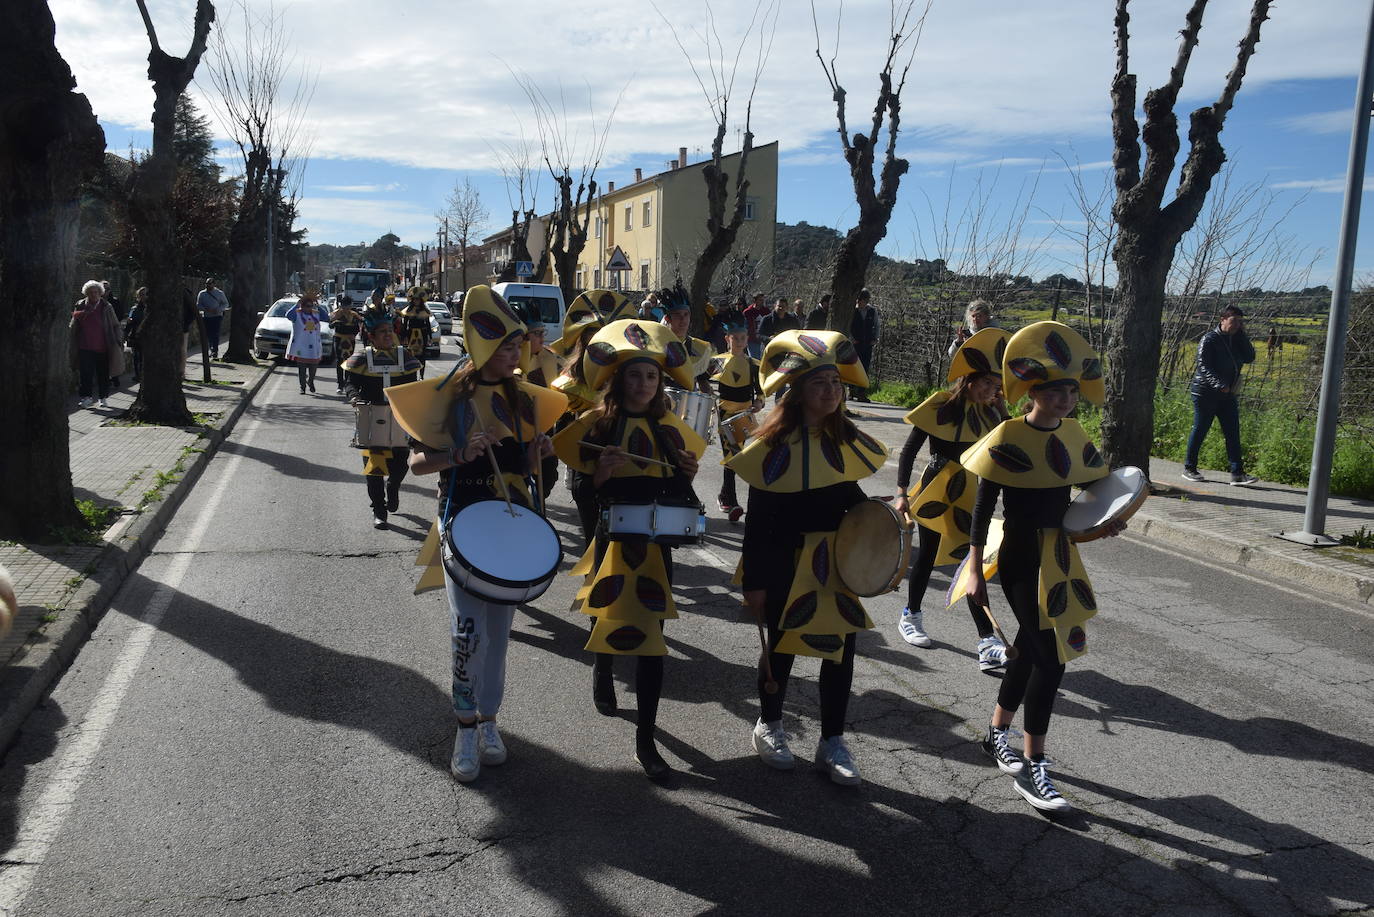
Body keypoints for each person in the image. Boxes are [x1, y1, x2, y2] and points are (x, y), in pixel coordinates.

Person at [397, 285, 565, 783]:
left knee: (498, 636)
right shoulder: (450, 397)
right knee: (467, 634)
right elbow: (416, 464)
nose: (515, 355)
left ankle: (490, 721)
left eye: (518, 346)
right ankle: (465, 726)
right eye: (506, 346)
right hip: (462, 524)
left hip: (510, 529)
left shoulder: (526, 401)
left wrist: (540, 453)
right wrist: (460, 454)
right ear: (485, 346)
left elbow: (528, 468)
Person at [961, 321, 1122, 813]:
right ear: (1032, 392)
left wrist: (1108, 522)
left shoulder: (1073, 435)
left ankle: (996, 732)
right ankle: (1035, 767)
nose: (1065, 400)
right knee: (1052, 658)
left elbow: (1095, 493)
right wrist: (973, 568)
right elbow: (982, 509)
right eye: (1054, 391)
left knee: (1031, 653)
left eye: (1071, 392)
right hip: (1018, 558)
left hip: (1060, 559)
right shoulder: (1006, 435)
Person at [730, 330, 890, 786]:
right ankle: (769, 724)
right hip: (784, 560)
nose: (831, 391)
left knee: (839, 654)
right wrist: (754, 583)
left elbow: (849, 499)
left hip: (834, 564)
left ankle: (832, 741)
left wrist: (883, 514)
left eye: (836, 383)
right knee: (780, 649)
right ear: (797, 392)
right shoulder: (770, 448)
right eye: (820, 383)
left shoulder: (845, 439)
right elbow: (759, 522)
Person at [553, 318, 703, 777]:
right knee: (606, 616)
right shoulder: (597, 424)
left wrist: (687, 474)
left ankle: (646, 741)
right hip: (612, 540)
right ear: (619, 380)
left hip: (656, 548)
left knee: (653, 639)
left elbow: (677, 492)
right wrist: (600, 473)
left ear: (660, 382)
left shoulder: (669, 428)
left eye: (651, 376)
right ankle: (602, 668)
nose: (643, 383)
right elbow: (583, 493)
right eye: (634, 375)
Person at [892, 328, 1012, 661]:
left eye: (996, 385)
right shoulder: (940, 405)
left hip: (970, 491)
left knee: (970, 561)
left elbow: (1011, 446)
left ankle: (986, 640)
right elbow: (909, 451)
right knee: (928, 555)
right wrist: (902, 492)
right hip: (936, 489)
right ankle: (911, 616)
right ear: (969, 379)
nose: (991, 389)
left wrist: (1002, 409)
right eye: (986, 382)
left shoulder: (991, 414)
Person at [548, 289, 637, 541]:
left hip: (623, 467)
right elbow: (562, 436)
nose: (601, 340)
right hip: (586, 468)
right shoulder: (567, 383)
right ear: (583, 339)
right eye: (594, 334)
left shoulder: (632, 379)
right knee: (594, 539)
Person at [341, 315, 422, 528]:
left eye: (390, 330)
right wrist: (354, 397)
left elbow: (412, 386)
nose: (388, 335)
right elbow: (351, 383)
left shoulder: (404, 356)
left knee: (400, 463)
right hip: (371, 418)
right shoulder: (362, 358)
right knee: (374, 469)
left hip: (399, 419)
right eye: (383, 331)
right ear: (372, 336)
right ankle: (379, 510)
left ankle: (393, 486)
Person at [1182, 305, 1258, 485]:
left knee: (1233, 432)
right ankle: (1189, 468)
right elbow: (1203, 365)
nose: (1237, 325)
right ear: (1222, 320)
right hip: (1205, 393)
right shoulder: (1209, 339)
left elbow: (1249, 357)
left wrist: (1242, 335)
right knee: (1201, 429)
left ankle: (1237, 474)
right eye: (1234, 321)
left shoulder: (1237, 339)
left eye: (1240, 322)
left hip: (1228, 394)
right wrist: (1218, 384)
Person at [710, 319, 764, 522]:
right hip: (725, 414)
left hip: (745, 416)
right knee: (733, 456)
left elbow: (760, 391)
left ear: (747, 339)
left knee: (736, 456)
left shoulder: (753, 364)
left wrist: (759, 402)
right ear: (727, 339)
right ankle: (731, 502)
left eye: (743, 338)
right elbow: (700, 376)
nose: (739, 342)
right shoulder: (719, 361)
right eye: (735, 338)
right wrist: (705, 391)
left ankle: (725, 495)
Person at [69, 280, 124, 408]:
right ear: (86, 293)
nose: (94, 294)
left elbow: (116, 325)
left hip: (103, 346)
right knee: (85, 374)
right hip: (84, 346)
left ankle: (103, 397)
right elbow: (74, 324)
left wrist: (118, 339)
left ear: (100, 293)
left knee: (103, 374)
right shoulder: (80, 305)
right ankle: (86, 397)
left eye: (96, 292)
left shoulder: (106, 306)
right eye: (91, 292)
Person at [660, 291, 716, 392]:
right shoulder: (659, 345)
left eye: (686, 315)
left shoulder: (698, 348)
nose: (683, 319)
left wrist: (709, 396)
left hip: (687, 400)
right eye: (678, 315)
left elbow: (702, 380)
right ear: (668, 319)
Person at [285, 290, 326, 394]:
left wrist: (318, 305)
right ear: (302, 306)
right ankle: (302, 387)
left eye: (311, 306)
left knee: (313, 368)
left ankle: (310, 381)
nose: (309, 308)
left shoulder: (316, 314)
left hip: (314, 346)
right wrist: (297, 304)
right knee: (302, 369)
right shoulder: (297, 314)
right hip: (301, 345)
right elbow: (288, 315)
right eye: (307, 306)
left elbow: (326, 317)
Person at [848, 289, 880, 403]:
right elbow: (848, 326)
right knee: (853, 367)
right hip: (855, 344)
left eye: (862, 300)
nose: (859, 302)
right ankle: (851, 390)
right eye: (859, 300)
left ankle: (861, 392)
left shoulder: (872, 311)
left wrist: (875, 339)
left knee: (864, 368)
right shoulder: (853, 311)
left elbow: (876, 325)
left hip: (867, 344)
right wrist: (851, 339)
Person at [329, 298, 364, 394]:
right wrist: (335, 322)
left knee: (349, 361)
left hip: (350, 340)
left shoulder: (354, 314)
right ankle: (340, 384)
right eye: (344, 306)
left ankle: (347, 383)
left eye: (348, 306)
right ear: (341, 305)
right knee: (339, 361)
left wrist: (354, 334)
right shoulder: (336, 313)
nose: (346, 308)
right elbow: (330, 325)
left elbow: (359, 326)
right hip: (339, 338)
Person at [398, 287, 433, 376]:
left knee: (422, 356)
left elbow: (428, 324)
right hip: (411, 334)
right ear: (412, 300)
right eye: (415, 299)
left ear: (421, 300)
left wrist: (430, 337)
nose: (416, 301)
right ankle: (412, 374)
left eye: (418, 299)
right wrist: (404, 336)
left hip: (422, 334)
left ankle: (421, 375)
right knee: (411, 355)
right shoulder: (408, 310)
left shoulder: (425, 311)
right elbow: (405, 325)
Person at [196, 278, 230, 360]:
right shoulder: (202, 294)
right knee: (207, 334)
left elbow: (226, 304)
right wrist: (206, 309)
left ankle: (215, 351)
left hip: (217, 316)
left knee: (215, 333)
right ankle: (210, 349)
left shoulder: (219, 293)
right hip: (206, 316)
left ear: (214, 284)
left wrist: (218, 310)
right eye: (207, 283)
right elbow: (198, 305)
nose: (208, 285)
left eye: (210, 283)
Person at [125, 287, 148, 383]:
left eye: (145, 294)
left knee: (144, 357)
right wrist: (125, 334)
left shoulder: (152, 309)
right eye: (141, 295)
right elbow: (129, 322)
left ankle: (143, 375)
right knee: (136, 357)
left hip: (147, 336)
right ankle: (138, 375)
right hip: (136, 336)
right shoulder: (134, 309)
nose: (144, 297)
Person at [743, 292, 767, 359]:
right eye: (760, 300)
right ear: (755, 300)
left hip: (764, 340)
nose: (762, 302)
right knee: (754, 360)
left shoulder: (766, 311)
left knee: (764, 359)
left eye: (763, 300)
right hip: (752, 340)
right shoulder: (748, 312)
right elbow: (744, 327)